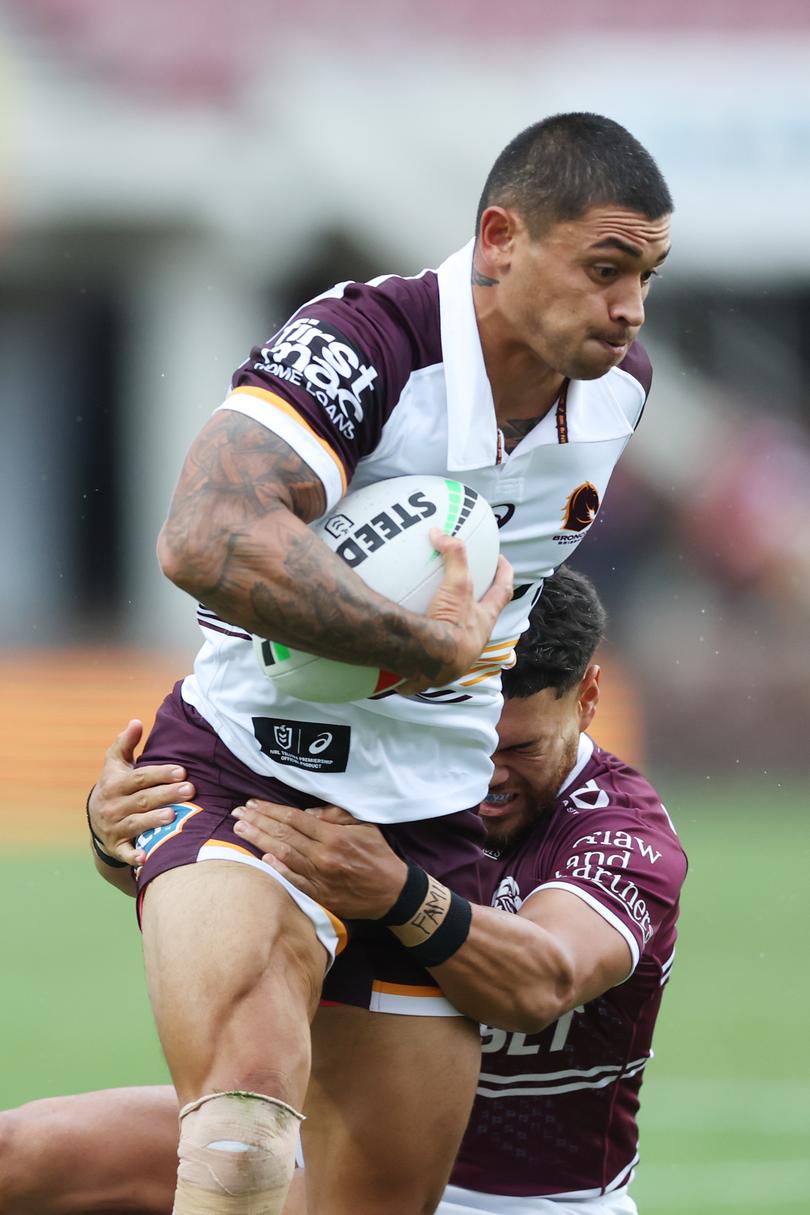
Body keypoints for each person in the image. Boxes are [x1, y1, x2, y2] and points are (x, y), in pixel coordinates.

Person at [98, 113, 673, 1215]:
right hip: (249, 779)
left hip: (428, 821)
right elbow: (203, 535)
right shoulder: (367, 342)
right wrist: (420, 642)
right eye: (605, 268)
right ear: (501, 240)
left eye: (647, 274)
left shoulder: (621, 393)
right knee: (239, 1144)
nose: (630, 308)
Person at [0, 569, 686, 1215]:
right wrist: (116, 833)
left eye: (522, 749)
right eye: (474, 748)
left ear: (588, 697)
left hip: (512, 1201)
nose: (488, 776)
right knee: (19, 1155)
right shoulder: (394, 763)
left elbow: (541, 981)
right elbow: (233, 874)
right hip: (319, 1141)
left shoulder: (622, 832)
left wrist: (400, 893)